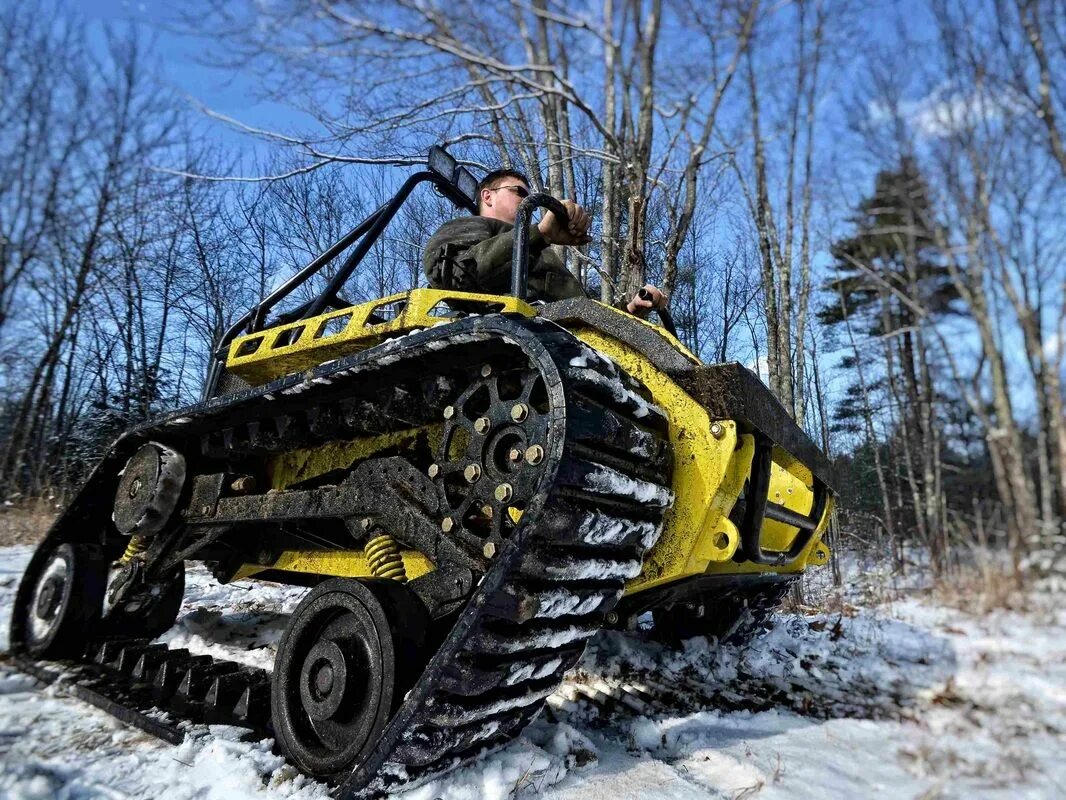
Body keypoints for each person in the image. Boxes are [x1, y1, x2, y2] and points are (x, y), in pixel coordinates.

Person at [422, 168, 667, 318]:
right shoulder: (469, 227)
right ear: (487, 195)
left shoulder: (538, 249)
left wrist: (632, 309)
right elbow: (457, 275)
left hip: (565, 353)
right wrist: (540, 233)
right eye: (520, 192)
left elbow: (582, 315)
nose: (528, 200)